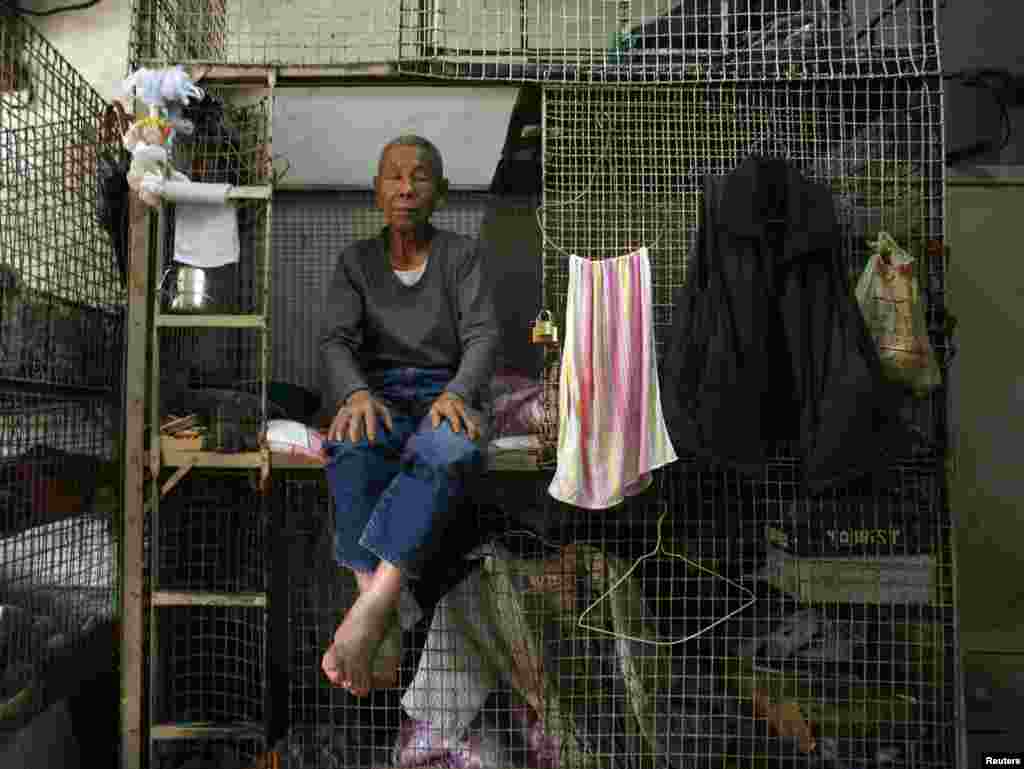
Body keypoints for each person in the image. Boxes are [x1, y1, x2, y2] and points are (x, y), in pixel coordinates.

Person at [318, 135, 500, 696]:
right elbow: (334, 341)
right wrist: (352, 393)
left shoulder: (462, 256)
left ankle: (374, 606)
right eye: (393, 175)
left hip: (446, 395)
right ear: (377, 191)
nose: (405, 187)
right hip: (380, 398)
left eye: (419, 176)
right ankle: (384, 608)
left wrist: (460, 392)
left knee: (450, 451)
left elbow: (483, 335)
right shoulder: (355, 263)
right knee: (349, 447)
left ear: (439, 192)